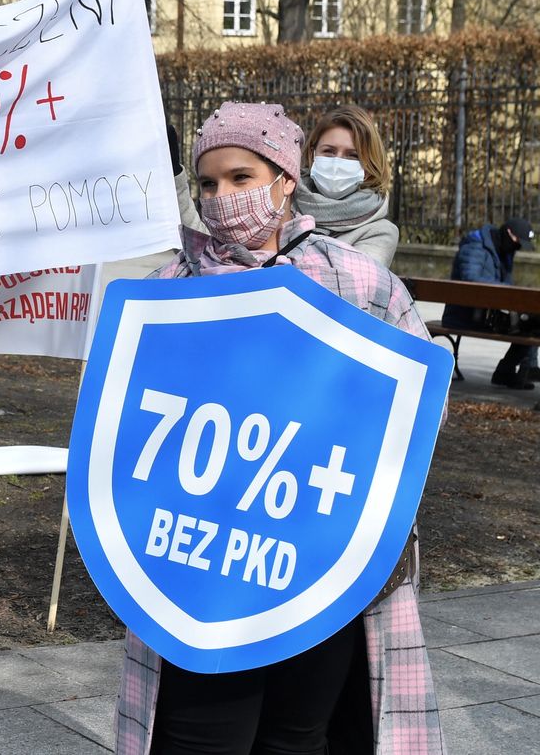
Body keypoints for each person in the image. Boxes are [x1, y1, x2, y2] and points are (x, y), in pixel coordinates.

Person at [116, 102, 444, 755]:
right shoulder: (171, 285)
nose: (222, 197)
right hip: (205, 559)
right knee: (199, 737)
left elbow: (416, 409)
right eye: (208, 184)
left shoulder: (362, 283)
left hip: (324, 555)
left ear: (285, 179)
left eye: (241, 177)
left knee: (299, 738)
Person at [296, 104, 400, 267]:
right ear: (312, 153)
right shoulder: (283, 204)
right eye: (329, 151)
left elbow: (348, 285)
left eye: (352, 155)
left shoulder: (380, 232)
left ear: (368, 166)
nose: (337, 162)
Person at [442, 217, 537, 389]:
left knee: (533, 322)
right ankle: (513, 370)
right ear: (509, 233)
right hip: (464, 315)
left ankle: (517, 371)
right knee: (529, 325)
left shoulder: (504, 250)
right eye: (518, 242)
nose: (518, 247)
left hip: (486, 314)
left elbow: (506, 288)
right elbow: (471, 278)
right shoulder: (475, 246)